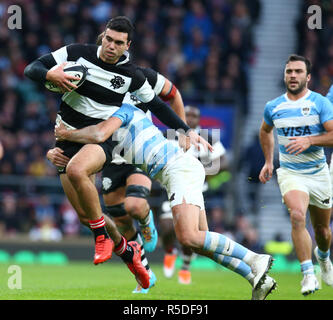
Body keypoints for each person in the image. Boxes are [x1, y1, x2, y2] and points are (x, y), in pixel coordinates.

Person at [24, 16, 198, 288]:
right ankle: (128, 253)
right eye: (108, 39)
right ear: (102, 36)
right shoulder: (75, 53)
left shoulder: (133, 75)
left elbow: (158, 105)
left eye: (118, 43)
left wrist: (186, 130)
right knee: (86, 215)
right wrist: (50, 74)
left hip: (99, 140)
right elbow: (31, 69)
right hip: (67, 139)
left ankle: (106, 236)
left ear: (127, 45)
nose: (111, 46)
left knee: (80, 171)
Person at [54, 102, 277, 300]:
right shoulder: (114, 126)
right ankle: (255, 279)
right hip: (179, 171)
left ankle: (255, 258)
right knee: (201, 244)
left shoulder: (123, 111)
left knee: (189, 237)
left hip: (178, 170)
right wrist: (53, 153)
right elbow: (94, 146)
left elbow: (97, 134)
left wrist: (66, 134)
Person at [46, 65, 187, 293]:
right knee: (109, 219)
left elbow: (173, 95)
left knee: (134, 205)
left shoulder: (143, 77)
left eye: (119, 44)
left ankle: (145, 220)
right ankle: (143, 266)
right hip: (111, 157)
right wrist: (53, 150)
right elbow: (77, 121)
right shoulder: (92, 81)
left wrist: (181, 132)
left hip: (137, 153)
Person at [259, 54, 333, 296]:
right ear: (284, 75)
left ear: (308, 77)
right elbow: (265, 130)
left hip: (319, 173)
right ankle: (308, 275)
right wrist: (269, 161)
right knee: (298, 216)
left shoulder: (320, 103)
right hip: (291, 173)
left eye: (298, 72)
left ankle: (323, 258)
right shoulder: (273, 107)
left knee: (323, 231)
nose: (293, 75)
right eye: (289, 71)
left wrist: (309, 140)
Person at [160, 104, 228, 284]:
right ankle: (169, 252)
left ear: (198, 119)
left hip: (196, 189)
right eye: (186, 115)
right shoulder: (170, 135)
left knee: (191, 232)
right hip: (172, 187)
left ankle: (185, 266)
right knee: (167, 226)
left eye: (193, 116)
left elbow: (224, 161)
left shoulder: (207, 138)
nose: (189, 118)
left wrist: (202, 172)